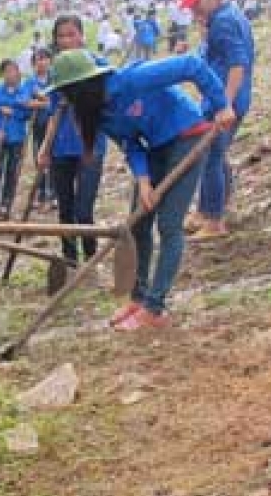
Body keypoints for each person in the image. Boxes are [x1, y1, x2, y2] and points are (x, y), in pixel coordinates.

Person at [48, 48, 235, 331]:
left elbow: (191, 65)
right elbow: (131, 143)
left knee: (169, 224)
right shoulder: (99, 114)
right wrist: (144, 180)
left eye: (67, 93)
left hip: (188, 137)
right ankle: (138, 298)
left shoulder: (131, 80)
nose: (65, 100)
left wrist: (221, 104)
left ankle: (155, 308)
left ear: (82, 87)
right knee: (138, 222)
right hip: (156, 148)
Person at [181, 0, 256, 240]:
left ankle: (214, 221)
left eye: (196, 2)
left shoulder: (223, 22)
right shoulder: (227, 14)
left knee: (211, 155)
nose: (193, 9)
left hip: (226, 100)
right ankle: (210, 208)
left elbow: (237, 64)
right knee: (216, 153)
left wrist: (226, 104)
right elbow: (218, 55)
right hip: (225, 97)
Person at [37, 14, 108, 264]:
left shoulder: (98, 65)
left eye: (71, 34)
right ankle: (70, 260)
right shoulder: (56, 70)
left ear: (82, 36)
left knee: (84, 210)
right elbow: (54, 113)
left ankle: (90, 257)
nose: (66, 40)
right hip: (61, 148)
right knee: (65, 209)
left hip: (90, 147)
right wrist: (44, 149)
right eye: (61, 36)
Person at [0, 58, 33, 220]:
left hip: (17, 138)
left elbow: (28, 113)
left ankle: (5, 206)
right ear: (2, 74)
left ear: (18, 73)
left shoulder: (24, 91)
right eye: (7, 71)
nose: (11, 74)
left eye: (14, 70)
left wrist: (14, 113)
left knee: (12, 173)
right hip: (0, 138)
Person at [23, 48, 55, 210]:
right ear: (33, 64)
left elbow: (57, 101)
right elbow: (26, 102)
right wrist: (45, 102)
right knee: (39, 158)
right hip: (38, 125)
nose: (41, 62)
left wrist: (41, 99)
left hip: (55, 124)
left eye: (44, 59)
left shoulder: (55, 79)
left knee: (55, 158)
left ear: (50, 61)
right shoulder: (30, 82)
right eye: (38, 60)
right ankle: (41, 193)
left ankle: (54, 194)